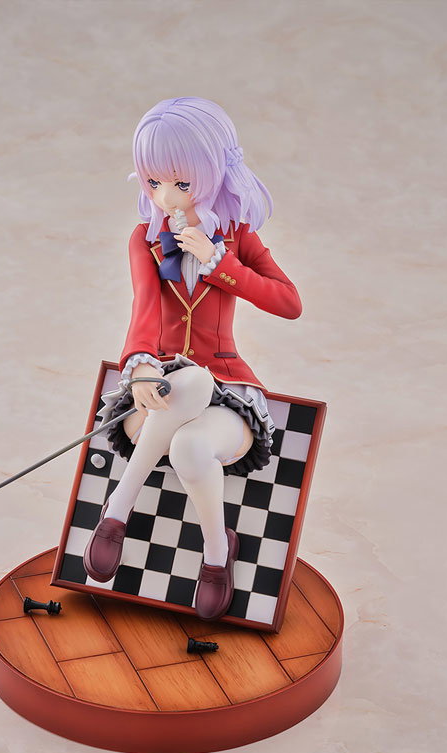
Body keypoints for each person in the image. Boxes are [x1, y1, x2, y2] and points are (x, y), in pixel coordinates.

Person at [83, 97, 302, 621]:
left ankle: (155, 525)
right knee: (189, 385)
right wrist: (141, 364)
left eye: (181, 183)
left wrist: (220, 262)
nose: (165, 197)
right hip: (160, 389)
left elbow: (289, 302)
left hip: (225, 391)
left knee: (192, 438)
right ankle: (202, 546)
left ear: (214, 174)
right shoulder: (144, 240)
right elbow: (143, 308)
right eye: (153, 182)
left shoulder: (238, 238)